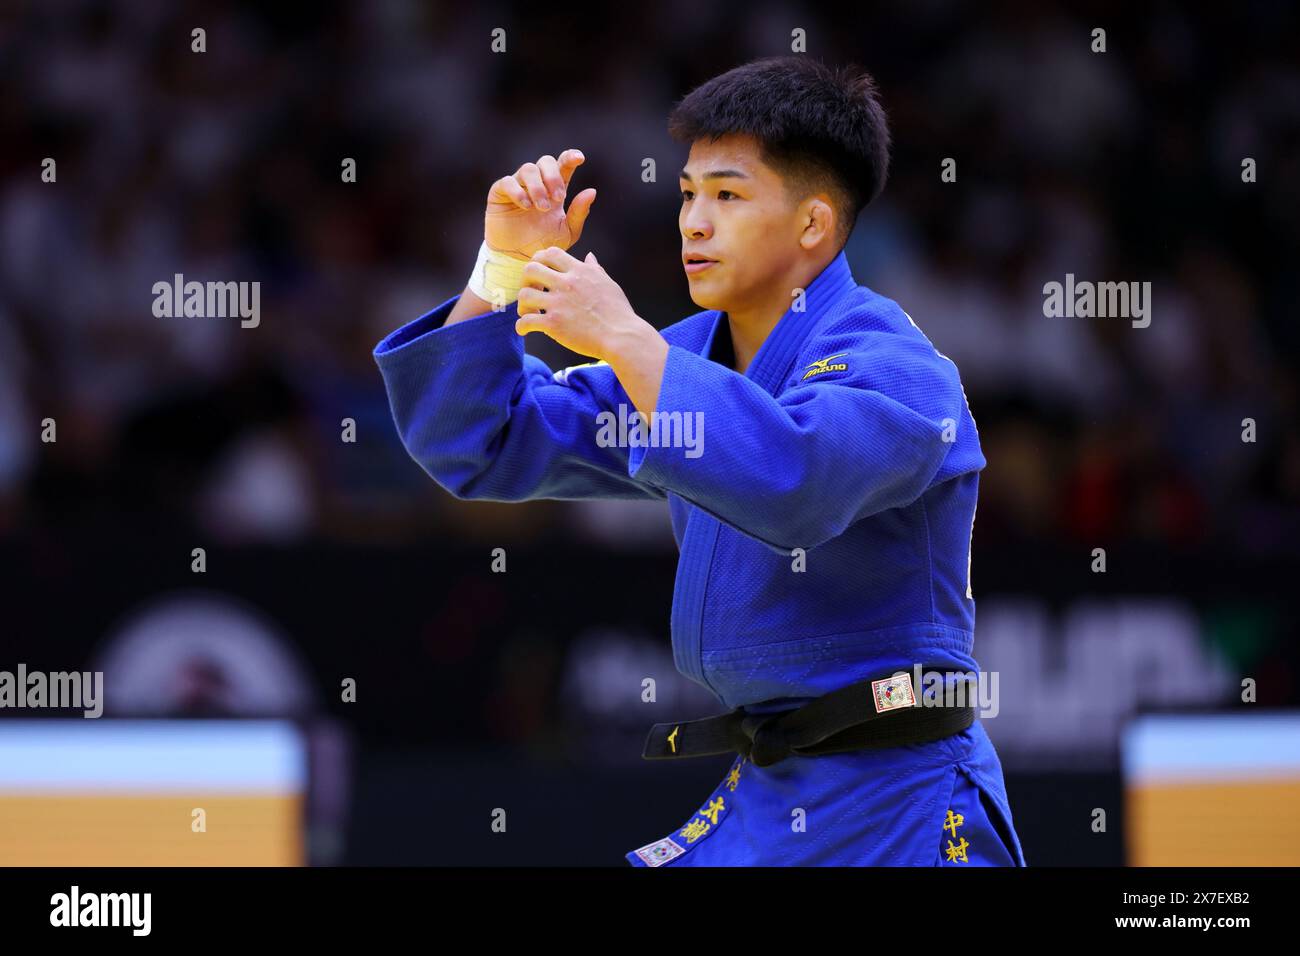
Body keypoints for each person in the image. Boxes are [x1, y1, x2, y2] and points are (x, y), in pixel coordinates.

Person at [374, 56, 1026, 867]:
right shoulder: (683, 362)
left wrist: (623, 338)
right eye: (688, 194)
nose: (693, 221)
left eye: (727, 194)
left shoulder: (899, 366)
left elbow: (792, 481)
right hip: (770, 791)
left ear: (814, 224)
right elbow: (484, 440)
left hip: (903, 801)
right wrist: (501, 269)